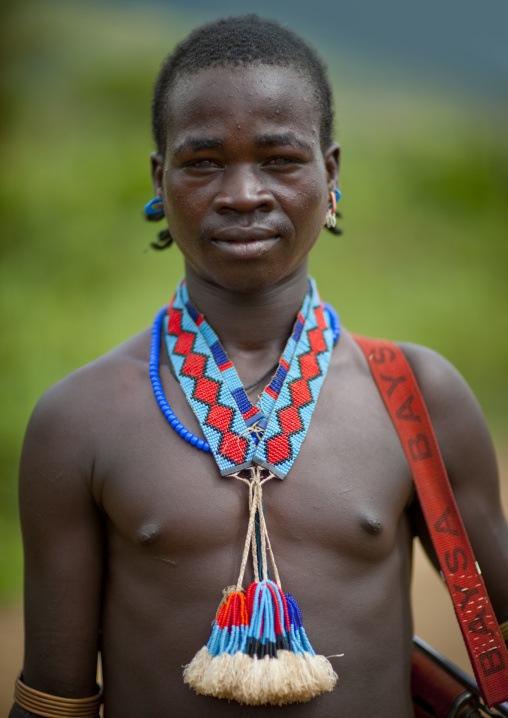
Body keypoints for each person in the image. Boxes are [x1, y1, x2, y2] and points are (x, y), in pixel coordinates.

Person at [10, 15, 508, 718]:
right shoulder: (81, 420)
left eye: (279, 160)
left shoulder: (417, 396)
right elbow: (53, 700)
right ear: (161, 178)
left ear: (330, 173)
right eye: (204, 162)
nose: (243, 194)